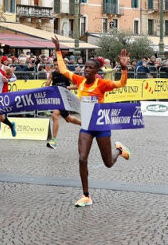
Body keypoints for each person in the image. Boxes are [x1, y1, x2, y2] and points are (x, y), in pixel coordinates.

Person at [51, 36, 130, 207]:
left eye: (90, 68)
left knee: (108, 163)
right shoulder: (79, 81)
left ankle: (119, 150)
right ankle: (86, 195)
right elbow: (63, 70)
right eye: (85, 67)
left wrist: (124, 68)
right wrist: (58, 50)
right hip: (86, 126)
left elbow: (121, 84)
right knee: (82, 159)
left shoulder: (102, 84)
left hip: (100, 126)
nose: (86, 70)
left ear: (96, 71)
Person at [44, 62, 81, 149]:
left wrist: (67, 87)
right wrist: (48, 85)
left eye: (58, 65)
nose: (56, 66)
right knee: (68, 119)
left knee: (55, 115)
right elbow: (46, 86)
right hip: (57, 99)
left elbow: (78, 85)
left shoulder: (67, 74)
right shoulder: (52, 74)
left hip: (65, 100)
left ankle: (54, 141)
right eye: (55, 65)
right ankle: (85, 125)